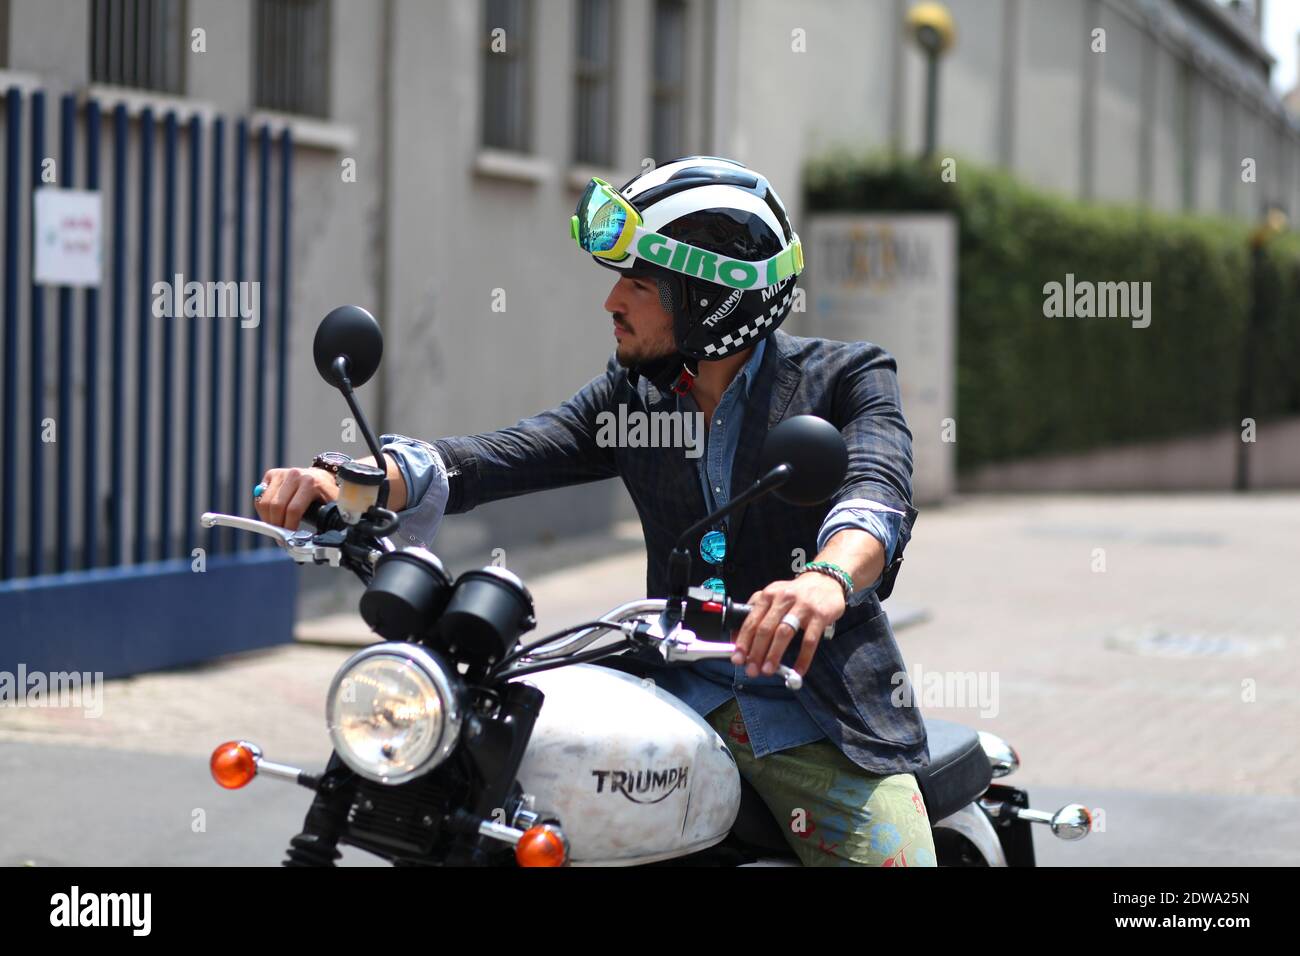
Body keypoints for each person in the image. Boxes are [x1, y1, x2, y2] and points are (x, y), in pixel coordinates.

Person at [255, 156, 935, 866]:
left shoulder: (845, 379)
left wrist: (824, 579)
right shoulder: (637, 398)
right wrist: (356, 483)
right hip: (669, 696)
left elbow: (876, 492)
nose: (611, 302)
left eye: (638, 285)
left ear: (712, 300)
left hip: (810, 715)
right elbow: (502, 455)